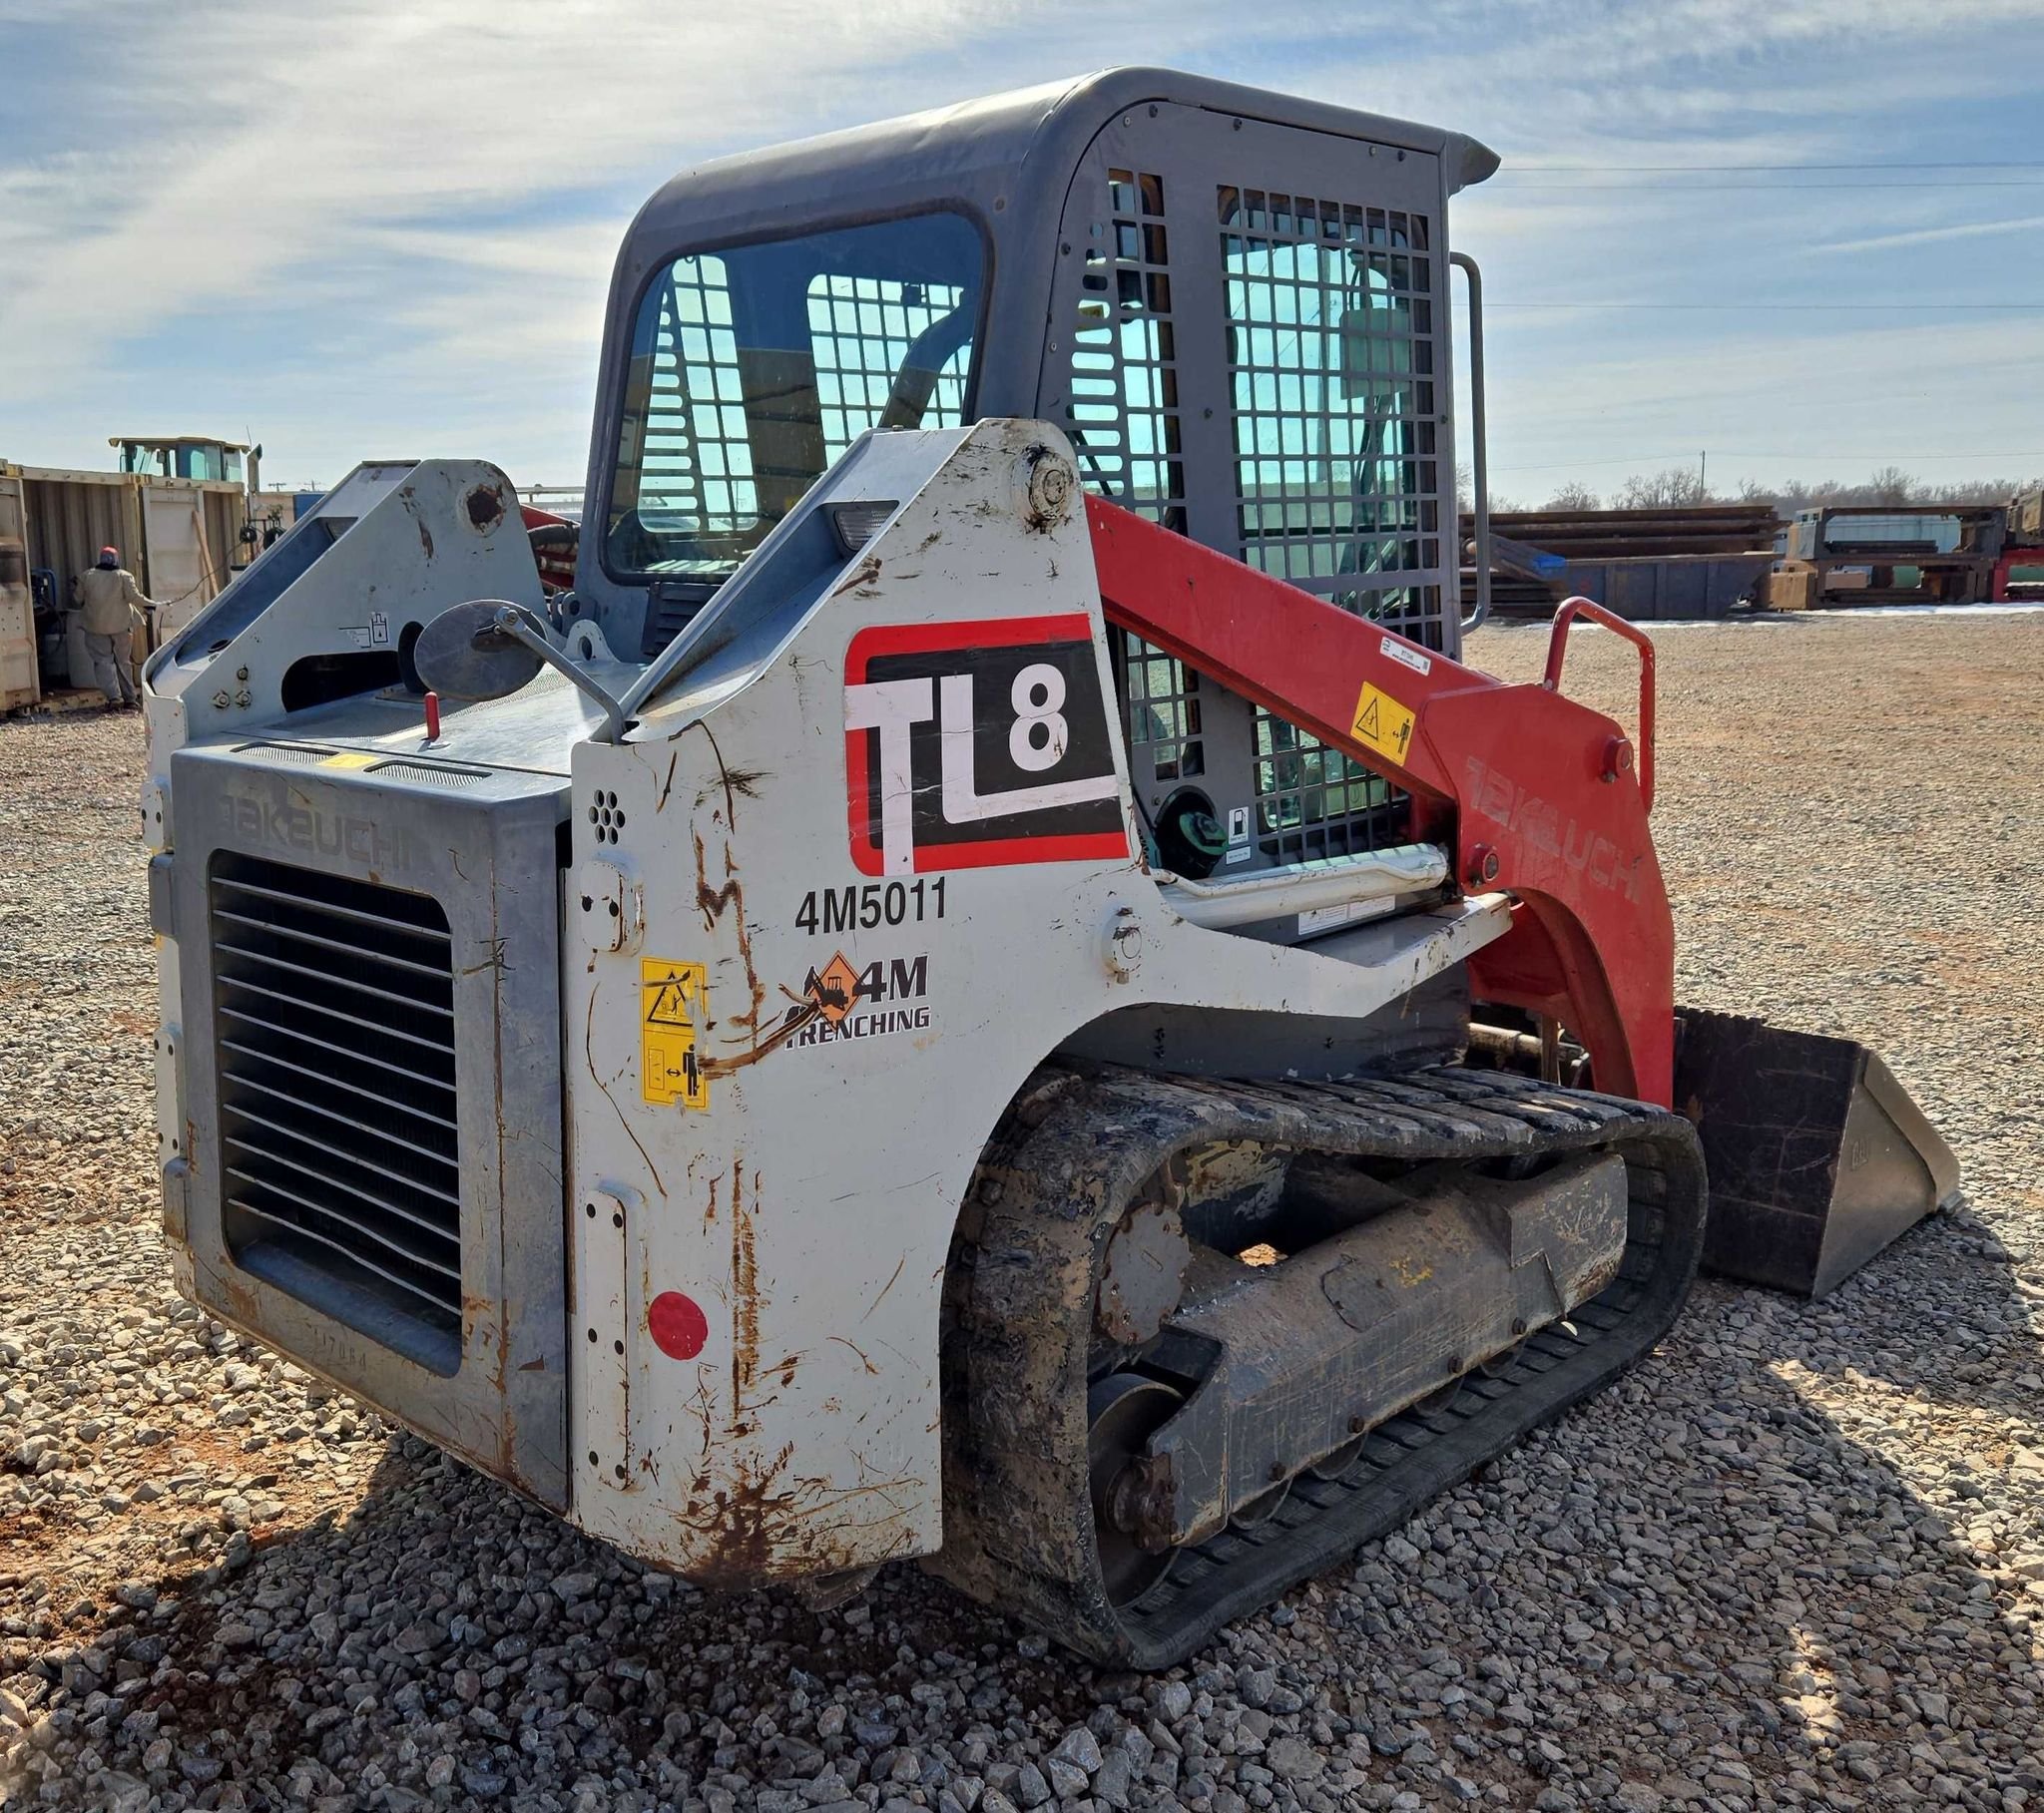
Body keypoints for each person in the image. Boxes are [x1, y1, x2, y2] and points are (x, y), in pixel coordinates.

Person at [72, 546, 156, 711]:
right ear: (117, 559)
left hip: (95, 628)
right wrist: (152, 605)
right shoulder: (124, 576)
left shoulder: (87, 576)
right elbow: (134, 597)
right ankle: (130, 699)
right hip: (122, 627)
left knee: (103, 662)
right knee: (123, 662)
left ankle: (114, 698)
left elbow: (77, 598)